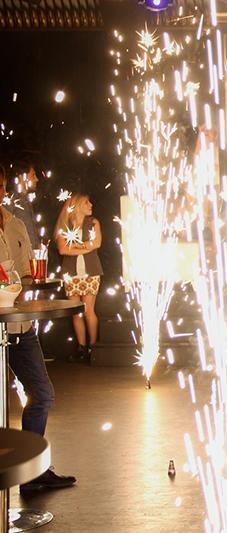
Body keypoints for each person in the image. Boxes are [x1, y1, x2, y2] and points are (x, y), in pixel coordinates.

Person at [0, 166, 76, 493]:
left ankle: (31, 473)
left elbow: (25, 272)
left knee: (42, 394)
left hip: (19, 324)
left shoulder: (15, 223)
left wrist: (32, 282)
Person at [54, 193, 103, 363]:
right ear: (77, 206)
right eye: (86, 202)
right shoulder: (65, 225)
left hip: (91, 272)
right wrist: (86, 247)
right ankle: (81, 347)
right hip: (71, 273)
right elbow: (63, 249)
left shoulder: (93, 223)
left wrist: (76, 245)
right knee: (76, 313)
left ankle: (93, 347)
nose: (90, 205)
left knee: (88, 311)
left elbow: (96, 243)